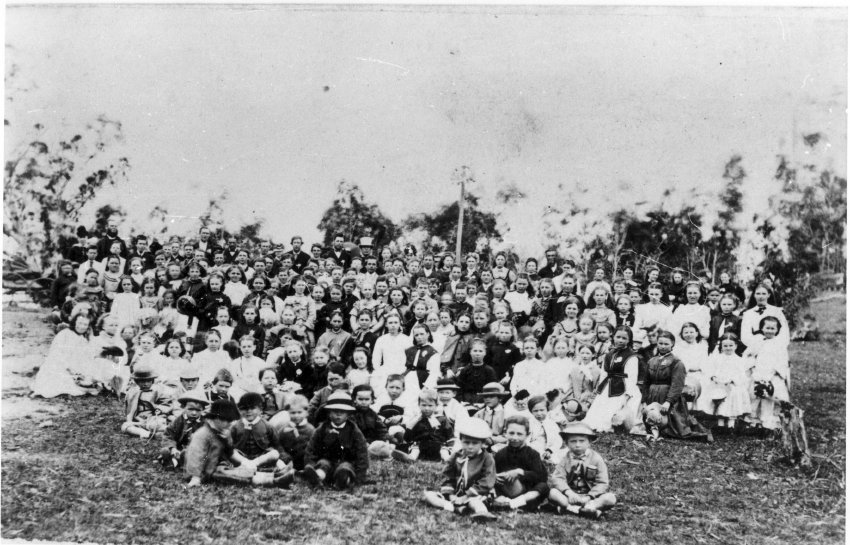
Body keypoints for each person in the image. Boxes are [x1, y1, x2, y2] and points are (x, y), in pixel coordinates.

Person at [184, 399, 293, 488]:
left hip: (220, 465)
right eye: (228, 421)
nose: (231, 424)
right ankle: (274, 481)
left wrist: (228, 441)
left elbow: (230, 452)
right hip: (205, 471)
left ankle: (277, 474)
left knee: (238, 470)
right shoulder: (202, 434)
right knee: (231, 475)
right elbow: (195, 456)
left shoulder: (221, 431)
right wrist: (195, 477)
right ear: (217, 418)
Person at [640, 330, 712, 442]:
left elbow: (677, 385)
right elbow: (646, 382)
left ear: (672, 344)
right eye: (660, 343)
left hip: (668, 396)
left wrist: (668, 401)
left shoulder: (676, 362)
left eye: (666, 344)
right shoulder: (651, 361)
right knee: (652, 419)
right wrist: (644, 400)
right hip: (653, 395)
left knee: (674, 429)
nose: (663, 346)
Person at [423, 418, 498, 522]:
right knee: (429, 495)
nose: (470, 447)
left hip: (476, 494)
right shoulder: (457, 455)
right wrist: (451, 495)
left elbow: (487, 481)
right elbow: (447, 476)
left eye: (475, 443)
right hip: (456, 494)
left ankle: (482, 513)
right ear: (461, 440)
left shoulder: (487, 458)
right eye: (466, 442)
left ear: (482, 443)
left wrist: (466, 495)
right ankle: (456, 508)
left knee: (475, 502)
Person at [300, 391, 370, 490]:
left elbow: (362, 454)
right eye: (335, 411)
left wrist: (359, 477)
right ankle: (317, 478)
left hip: (346, 462)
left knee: (345, 468)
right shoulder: (322, 429)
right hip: (327, 461)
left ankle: (343, 481)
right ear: (328, 413)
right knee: (323, 464)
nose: (338, 415)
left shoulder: (354, 430)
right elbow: (311, 450)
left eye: (342, 412)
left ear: (348, 414)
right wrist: (310, 464)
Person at [547, 422, 617, 519]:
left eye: (582, 441)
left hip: (590, 497)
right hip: (570, 496)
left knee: (610, 498)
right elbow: (558, 478)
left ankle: (583, 508)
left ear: (589, 442)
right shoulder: (565, 459)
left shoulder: (596, 459)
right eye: (573, 441)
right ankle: (582, 510)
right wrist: (569, 493)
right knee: (552, 493)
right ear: (566, 443)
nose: (577, 445)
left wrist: (589, 497)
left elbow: (602, 482)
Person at [582, 326, 642, 433]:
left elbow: (631, 377)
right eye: (618, 337)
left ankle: (612, 424)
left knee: (616, 410)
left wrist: (627, 395)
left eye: (624, 338)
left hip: (622, 387)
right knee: (598, 409)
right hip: (608, 385)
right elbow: (604, 373)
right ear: (613, 337)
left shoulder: (631, 356)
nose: (620, 340)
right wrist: (599, 387)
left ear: (629, 340)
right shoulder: (609, 354)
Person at [491, 415, 550, 511]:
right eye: (511, 433)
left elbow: (541, 477)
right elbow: (493, 472)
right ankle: (505, 502)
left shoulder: (532, 454)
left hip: (526, 493)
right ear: (505, 432)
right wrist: (496, 477)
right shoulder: (500, 454)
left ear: (527, 435)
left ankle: (512, 504)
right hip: (506, 490)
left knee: (543, 487)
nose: (515, 437)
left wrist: (520, 472)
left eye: (519, 434)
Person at [31, 312, 94, 398]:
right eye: (79, 323)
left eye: (85, 324)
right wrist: (69, 368)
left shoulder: (83, 339)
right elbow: (56, 354)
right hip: (59, 364)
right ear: (74, 322)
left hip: (74, 366)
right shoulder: (64, 334)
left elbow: (86, 357)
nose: (82, 326)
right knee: (60, 381)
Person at [745, 316, 790, 430]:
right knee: (754, 394)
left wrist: (775, 373)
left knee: (770, 395)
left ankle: (769, 421)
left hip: (772, 374)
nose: (769, 331)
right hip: (758, 372)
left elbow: (782, 361)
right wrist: (752, 368)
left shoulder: (779, 344)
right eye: (767, 328)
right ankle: (753, 420)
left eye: (772, 328)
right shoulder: (757, 341)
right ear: (762, 328)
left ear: (777, 330)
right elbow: (749, 356)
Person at [699, 333, 751, 429]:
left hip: (732, 385)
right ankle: (720, 424)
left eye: (731, 345)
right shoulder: (717, 358)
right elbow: (710, 370)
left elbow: (742, 375)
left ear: (736, 346)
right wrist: (713, 377)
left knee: (733, 397)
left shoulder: (739, 360)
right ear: (721, 346)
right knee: (720, 399)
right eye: (725, 346)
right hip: (718, 383)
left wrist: (732, 381)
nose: (728, 348)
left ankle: (731, 425)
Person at [396, 388, 454, 463]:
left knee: (444, 450)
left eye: (430, 405)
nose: (427, 408)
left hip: (437, 446)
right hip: (421, 446)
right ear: (419, 405)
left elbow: (450, 435)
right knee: (415, 448)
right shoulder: (416, 420)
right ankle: (411, 458)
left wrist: (451, 447)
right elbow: (407, 438)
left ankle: (447, 460)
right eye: (423, 405)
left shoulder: (441, 419)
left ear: (436, 406)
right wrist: (411, 425)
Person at [159, 389, 208, 468]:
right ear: (183, 407)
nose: (194, 413)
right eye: (190, 409)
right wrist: (172, 448)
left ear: (203, 410)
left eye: (198, 410)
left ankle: (180, 461)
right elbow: (169, 434)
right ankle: (170, 460)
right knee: (168, 450)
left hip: (195, 449)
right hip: (179, 448)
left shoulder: (204, 422)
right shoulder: (179, 420)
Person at [121, 365, 171, 439]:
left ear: (152, 381)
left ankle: (162, 430)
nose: (145, 384)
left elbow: (166, 403)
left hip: (153, 418)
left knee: (158, 424)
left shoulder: (158, 391)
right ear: (137, 381)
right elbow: (128, 409)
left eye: (148, 381)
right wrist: (131, 418)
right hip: (139, 420)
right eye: (142, 381)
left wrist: (160, 409)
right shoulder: (132, 392)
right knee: (125, 426)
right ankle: (147, 434)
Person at [455, 339, 498, 403]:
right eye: (475, 351)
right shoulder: (465, 370)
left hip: (483, 400)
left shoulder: (489, 370)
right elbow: (459, 389)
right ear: (470, 352)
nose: (477, 353)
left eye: (480, 351)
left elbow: (493, 389)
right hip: (467, 401)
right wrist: (462, 401)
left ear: (485, 353)